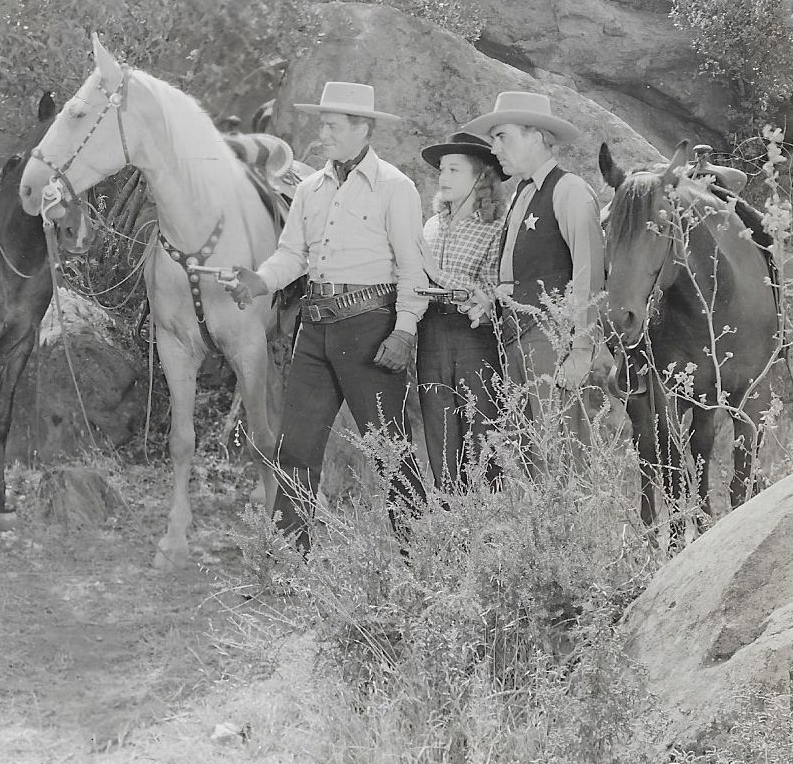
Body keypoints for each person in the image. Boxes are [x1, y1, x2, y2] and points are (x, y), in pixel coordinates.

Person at [221, 81, 428, 553]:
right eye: (323, 123)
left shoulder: (397, 188)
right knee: (296, 446)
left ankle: (419, 559)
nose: (324, 132)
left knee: (389, 448)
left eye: (333, 125)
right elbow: (292, 254)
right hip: (314, 329)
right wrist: (259, 281)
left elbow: (413, 269)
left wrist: (404, 330)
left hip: (371, 328)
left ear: (363, 128)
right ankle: (290, 560)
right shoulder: (311, 188)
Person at [463, 90, 607, 408]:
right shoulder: (520, 194)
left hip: (553, 342)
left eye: (502, 136)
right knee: (526, 451)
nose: (494, 148)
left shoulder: (570, 190)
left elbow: (590, 277)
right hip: (514, 340)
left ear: (536, 137)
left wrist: (582, 350)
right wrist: (494, 302)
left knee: (559, 447)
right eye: (493, 139)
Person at [415, 131, 507, 491]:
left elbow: (489, 292)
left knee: (481, 433)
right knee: (439, 434)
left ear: (480, 178)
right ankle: (453, 534)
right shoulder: (432, 225)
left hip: (475, 339)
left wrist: (437, 275)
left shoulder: (496, 226)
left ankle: (490, 533)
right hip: (431, 332)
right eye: (441, 170)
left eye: (454, 170)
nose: (443, 178)